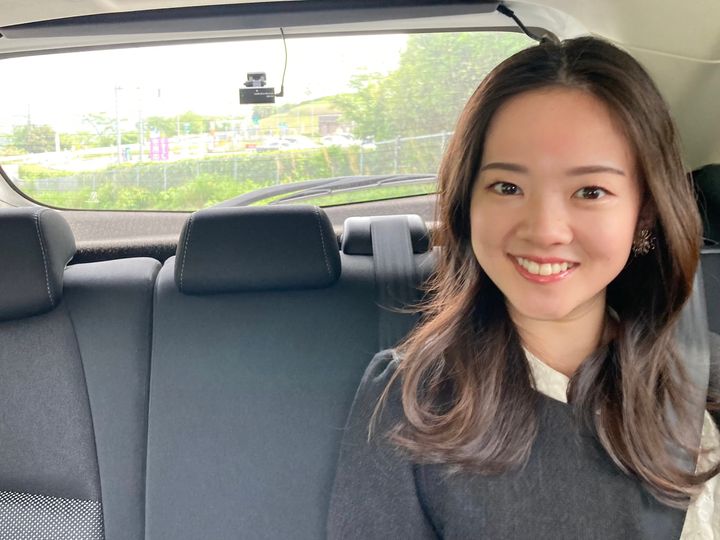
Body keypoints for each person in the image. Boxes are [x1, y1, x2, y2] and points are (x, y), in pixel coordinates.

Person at [327, 36, 720, 539]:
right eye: (507, 187)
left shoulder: (705, 378)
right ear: (468, 203)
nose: (545, 230)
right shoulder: (411, 399)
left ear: (643, 213)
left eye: (590, 191)